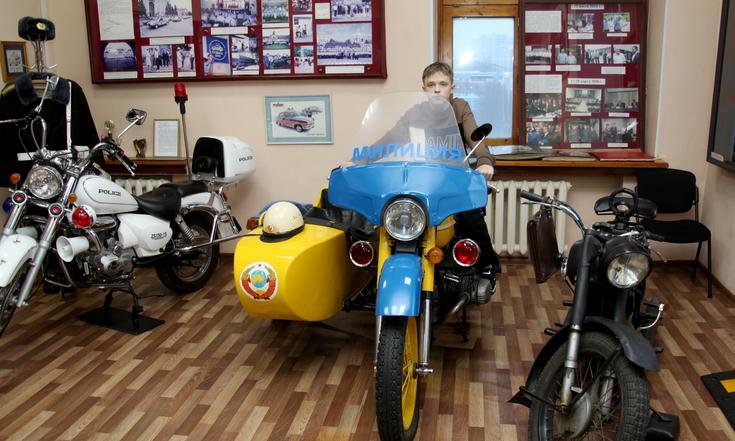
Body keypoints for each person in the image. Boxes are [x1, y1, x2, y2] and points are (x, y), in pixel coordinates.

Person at [421, 61, 501, 281]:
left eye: (443, 84)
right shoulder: (416, 111)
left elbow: (476, 139)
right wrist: (360, 158)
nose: (437, 89)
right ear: (424, 89)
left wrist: (484, 161)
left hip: (456, 179)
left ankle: (487, 265)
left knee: (471, 217)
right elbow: (392, 136)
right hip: (425, 181)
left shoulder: (460, 107)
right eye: (431, 85)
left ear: (452, 88)